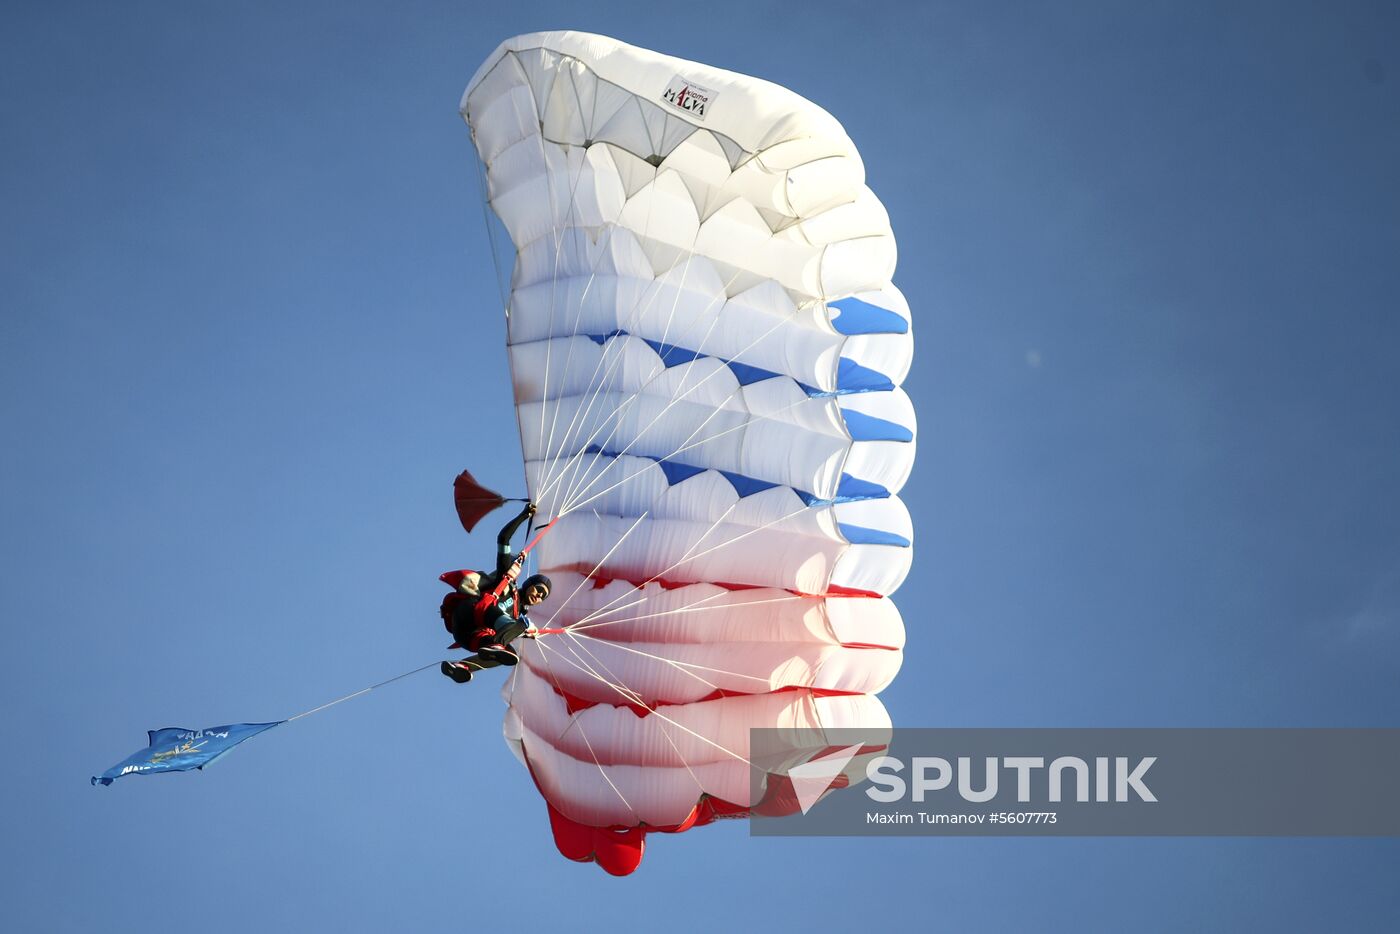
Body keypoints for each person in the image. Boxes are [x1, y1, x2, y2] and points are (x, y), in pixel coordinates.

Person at [440, 502, 553, 684]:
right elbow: (503, 538)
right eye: (539, 589)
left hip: (468, 635)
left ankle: (462, 666)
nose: (538, 596)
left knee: (509, 654)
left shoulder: (516, 615)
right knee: (521, 625)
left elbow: (514, 627)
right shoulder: (506, 581)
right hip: (470, 612)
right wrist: (523, 516)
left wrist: (527, 632)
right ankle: (497, 644)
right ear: (529, 584)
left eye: (542, 597)